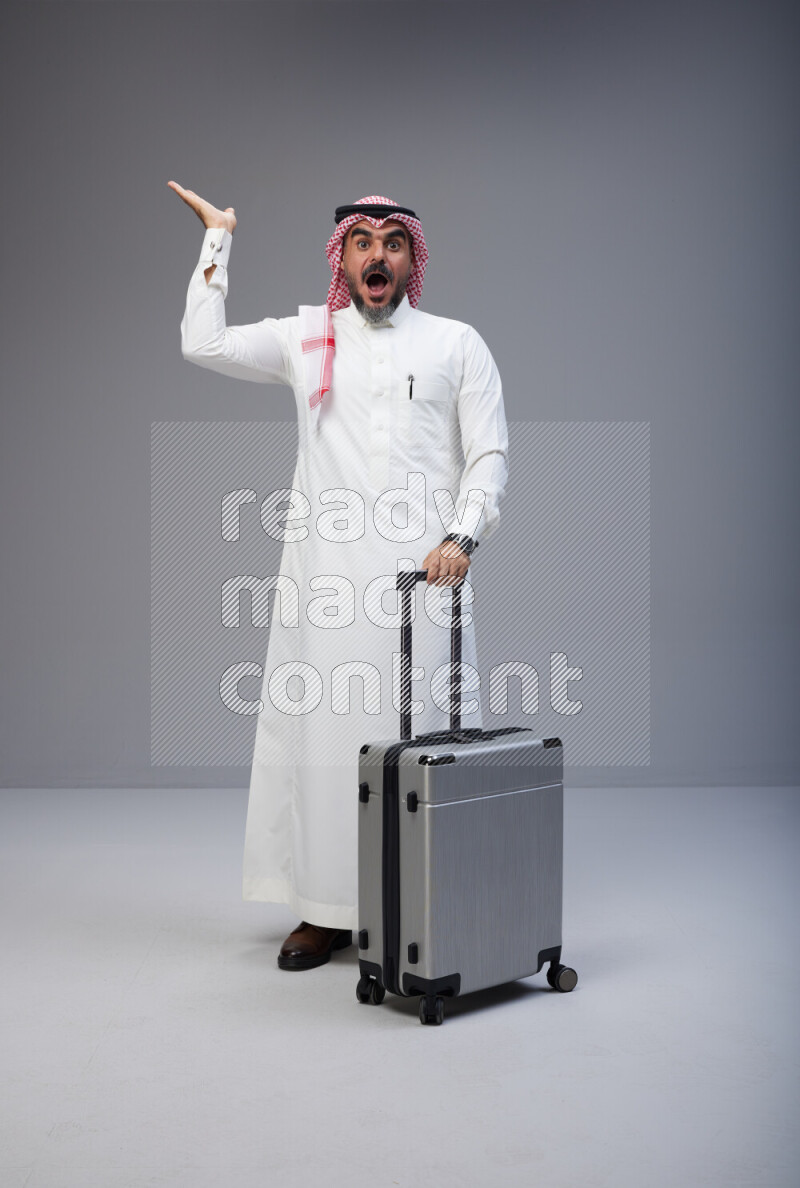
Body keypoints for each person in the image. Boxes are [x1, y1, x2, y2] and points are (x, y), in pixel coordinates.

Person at [170, 184, 509, 970]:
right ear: (343, 257)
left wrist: (463, 534)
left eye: (393, 241)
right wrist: (218, 239)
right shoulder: (307, 337)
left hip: (425, 584)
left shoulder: (457, 344)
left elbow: (489, 453)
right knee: (326, 744)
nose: (377, 255)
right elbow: (202, 344)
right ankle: (325, 910)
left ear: (411, 256)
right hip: (326, 582)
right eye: (363, 241)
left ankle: (425, 903)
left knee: (426, 739)